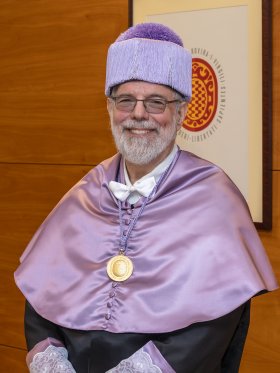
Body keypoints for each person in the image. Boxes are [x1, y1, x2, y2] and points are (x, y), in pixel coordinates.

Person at [15, 22, 278, 373]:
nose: (139, 114)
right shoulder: (82, 195)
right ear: (110, 109)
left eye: (156, 102)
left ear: (181, 113)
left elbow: (210, 329)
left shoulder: (216, 199)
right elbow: (41, 302)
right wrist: (52, 361)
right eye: (126, 100)